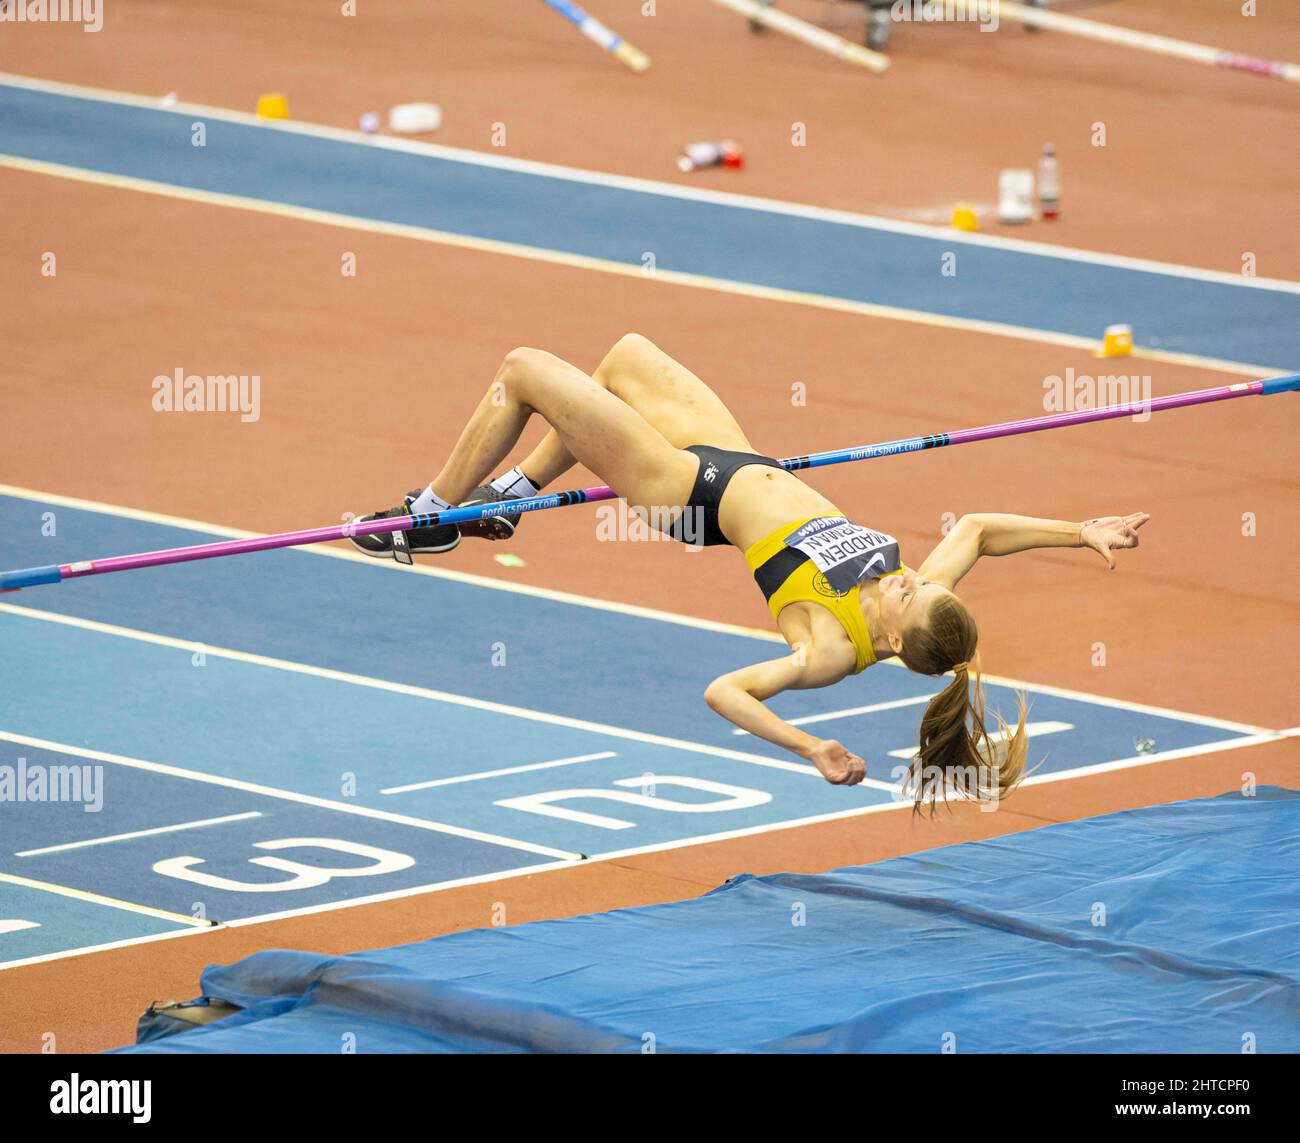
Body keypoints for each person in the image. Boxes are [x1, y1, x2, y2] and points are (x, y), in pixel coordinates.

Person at [353, 335, 1147, 811]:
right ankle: (508, 499)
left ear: (898, 640)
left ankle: (426, 519)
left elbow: (724, 691)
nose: (911, 572)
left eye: (911, 589)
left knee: (525, 370)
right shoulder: (916, 597)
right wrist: (1082, 531)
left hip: (687, 495)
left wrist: (808, 746)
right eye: (921, 578)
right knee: (623, 358)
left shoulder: (833, 648)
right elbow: (978, 528)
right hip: (733, 453)